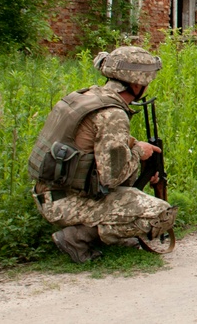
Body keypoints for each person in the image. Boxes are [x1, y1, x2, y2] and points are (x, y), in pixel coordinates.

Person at [27, 46, 178, 263]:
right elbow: (112, 177)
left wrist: (141, 158)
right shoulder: (113, 114)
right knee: (160, 214)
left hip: (51, 194)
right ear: (136, 83)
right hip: (66, 202)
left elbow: (95, 149)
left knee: (133, 188)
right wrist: (137, 152)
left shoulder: (87, 96)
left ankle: (107, 234)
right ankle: (76, 238)